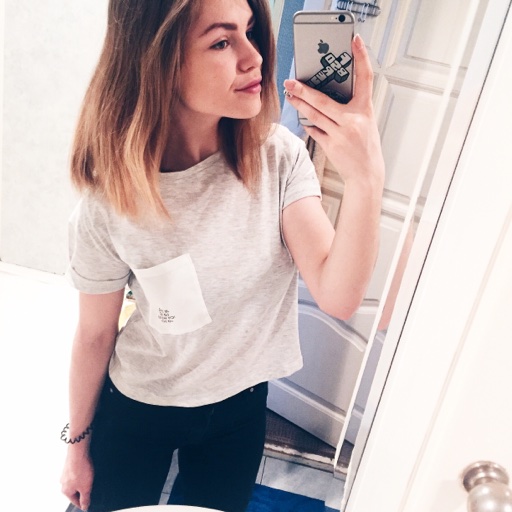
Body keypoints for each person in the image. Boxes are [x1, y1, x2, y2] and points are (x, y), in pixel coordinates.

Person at [59, 1, 385, 511]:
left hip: (240, 405)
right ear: (158, 62)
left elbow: (338, 295)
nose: (255, 58)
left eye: (250, 31)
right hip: (142, 402)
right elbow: (95, 335)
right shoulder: (109, 201)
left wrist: (366, 178)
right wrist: (77, 447)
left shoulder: (278, 158)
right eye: (221, 41)